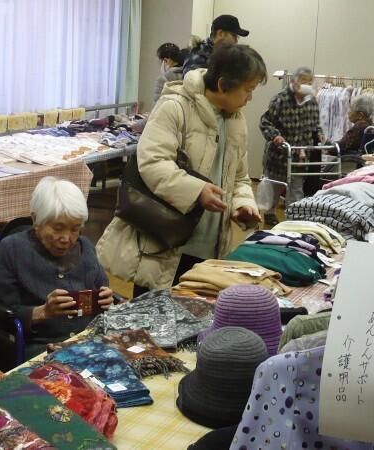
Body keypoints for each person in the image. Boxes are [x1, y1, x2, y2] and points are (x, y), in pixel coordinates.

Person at [97, 44, 266, 297]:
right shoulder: (175, 107)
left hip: (211, 244)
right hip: (165, 240)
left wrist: (243, 202)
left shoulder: (236, 120)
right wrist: (197, 191)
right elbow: (152, 162)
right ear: (222, 85)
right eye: (248, 90)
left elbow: (240, 175)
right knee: (153, 321)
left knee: (195, 322)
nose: (249, 99)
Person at [0, 177, 114, 360]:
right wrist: (42, 312)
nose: (67, 238)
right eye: (58, 228)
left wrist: (106, 300)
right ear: (36, 220)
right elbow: (1, 313)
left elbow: (102, 291)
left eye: (75, 229)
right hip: (40, 346)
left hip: (87, 340)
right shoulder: (12, 249)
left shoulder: (86, 247)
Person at [258, 67, 325, 225]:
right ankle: (269, 213)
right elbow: (265, 122)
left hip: (300, 155)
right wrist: (275, 135)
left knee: (296, 188)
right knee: (275, 187)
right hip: (280, 153)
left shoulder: (312, 101)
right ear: (294, 82)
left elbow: (316, 124)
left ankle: (295, 219)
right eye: (303, 81)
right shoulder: (280, 99)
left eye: (309, 82)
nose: (306, 85)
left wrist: (320, 133)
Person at [182, 14, 249, 76]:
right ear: (220, 33)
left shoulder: (224, 54)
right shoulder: (198, 56)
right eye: (234, 36)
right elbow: (195, 86)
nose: (236, 41)